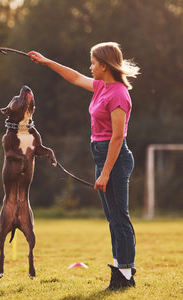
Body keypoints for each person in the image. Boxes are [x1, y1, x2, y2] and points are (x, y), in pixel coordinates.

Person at [28, 42, 139, 290]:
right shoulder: (101, 87)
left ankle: (125, 275)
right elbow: (74, 77)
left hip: (115, 159)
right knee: (113, 218)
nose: (90, 67)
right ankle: (121, 270)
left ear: (104, 65)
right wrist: (46, 61)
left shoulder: (119, 94)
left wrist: (107, 172)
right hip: (103, 157)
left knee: (120, 218)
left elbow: (118, 137)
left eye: (93, 62)